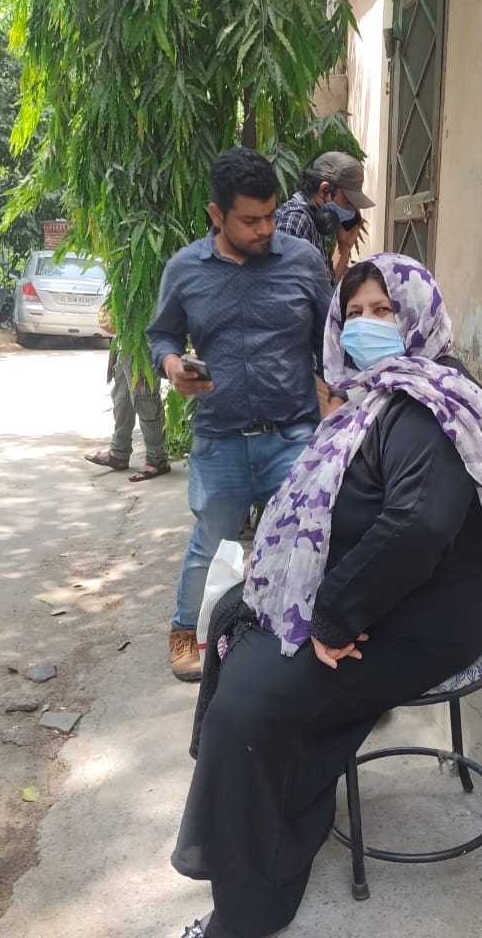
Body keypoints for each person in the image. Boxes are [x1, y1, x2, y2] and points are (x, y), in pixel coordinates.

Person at [170, 253, 482, 938]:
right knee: (233, 622)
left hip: (418, 615)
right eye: (354, 313)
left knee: (246, 711)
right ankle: (269, 817)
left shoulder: (430, 404)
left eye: (384, 310)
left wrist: (332, 616)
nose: (366, 325)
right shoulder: (375, 398)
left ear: (419, 315)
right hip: (379, 596)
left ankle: (247, 912)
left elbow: (418, 526)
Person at [147, 146, 333, 682]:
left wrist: (337, 404)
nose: (265, 229)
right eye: (250, 220)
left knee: (306, 543)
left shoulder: (303, 262)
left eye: (270, 215)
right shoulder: (185, 269)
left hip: (293, 435)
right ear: (216, 214)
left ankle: (307, 638)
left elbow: (330, 339)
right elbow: (161, 335)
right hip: (220, 438)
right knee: (212, 542)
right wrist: (172, 365)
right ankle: (186, 632)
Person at [86, 303, 170, 481]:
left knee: (145, 400)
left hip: (144, 342)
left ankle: (157, 459)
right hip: (124, 343)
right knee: (121, 398)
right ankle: (119, 453)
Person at [274, 150, 374, 288]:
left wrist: (344, 248)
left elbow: (325, 290)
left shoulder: (314, 223)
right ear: (324, 190)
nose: (351, 211)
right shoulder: (296, 221)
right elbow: (281, 291)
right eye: (348, 203)